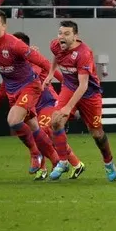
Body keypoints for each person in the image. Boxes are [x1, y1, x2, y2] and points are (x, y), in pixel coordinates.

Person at [0, 11, 64, 180]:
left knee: (13, 120)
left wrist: (63, 81)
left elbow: (43, 62)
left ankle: (35, 153)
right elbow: (4, 77)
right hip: (13, 90)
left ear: (4, 26)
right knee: (34, 127)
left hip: (29, 86)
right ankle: (57, 161)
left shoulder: (15, 45)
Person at [45, 21, 116, 182]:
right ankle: (63, 162)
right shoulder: (55, 45)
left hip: (89, 94)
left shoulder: (84, 53)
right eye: (60, 33)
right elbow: (56, 56)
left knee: (97, 133)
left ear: (75, 36)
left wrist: (68, 108)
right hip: (69, 87)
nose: (61, 37)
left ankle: (109, 162)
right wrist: (51, 73)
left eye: (66, 34)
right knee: (56, 122)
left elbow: (83, 85)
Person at [13, 32, 84, 180]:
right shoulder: (13, 66)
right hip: (33, 106)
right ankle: (50, 168)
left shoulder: (35, 61)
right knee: (37, 135)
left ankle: (67, 164)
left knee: (43, 132)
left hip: (48, 103)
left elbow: (57, 76)